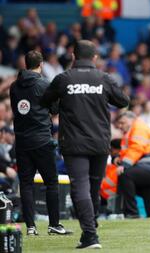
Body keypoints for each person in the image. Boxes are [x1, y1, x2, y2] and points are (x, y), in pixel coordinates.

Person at [41, 40, 129, 249]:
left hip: (74, 142)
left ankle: (90, 234)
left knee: (80, 186)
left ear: (73, 56)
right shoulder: (104, 79)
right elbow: (123, 101)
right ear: (95, 58)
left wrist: (59, 104)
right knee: (93, 186)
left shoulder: (63, 79)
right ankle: (92, 225)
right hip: (100, 142)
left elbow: (46, 101)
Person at [10, 50, 72, 236]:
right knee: (51, 182)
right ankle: (54, 225)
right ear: (41, 64)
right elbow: (54, 109)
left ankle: (30, 227)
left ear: (25, 64)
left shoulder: (14, 86)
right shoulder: (44, 84)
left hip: (21, 141)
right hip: (41, 140)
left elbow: (16, 109)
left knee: (26, 184)